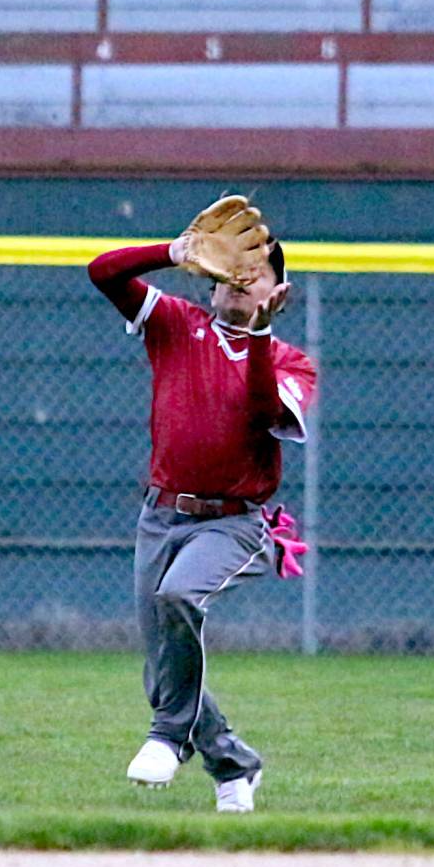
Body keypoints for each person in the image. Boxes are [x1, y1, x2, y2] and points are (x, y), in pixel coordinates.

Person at [87, 196, 317, 814]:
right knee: (162, 666)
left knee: (179, 599)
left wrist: (263, 336)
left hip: (234, 523)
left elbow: (269, 411)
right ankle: (233, 763)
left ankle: (169, 737)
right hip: (160, 514)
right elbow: (102, 270)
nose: (241, 283)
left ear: (278, 289)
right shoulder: (176, 325)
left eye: (255, 274)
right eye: (233, 271)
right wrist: (174, 253)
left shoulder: (291, 361)